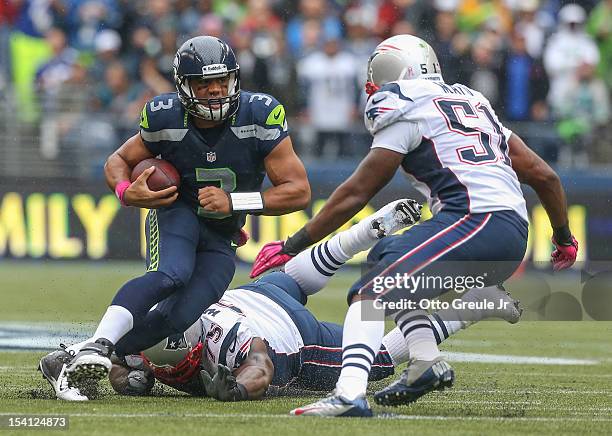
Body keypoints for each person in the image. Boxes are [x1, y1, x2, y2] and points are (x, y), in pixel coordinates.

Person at [251, 35, 579, 417]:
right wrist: (563, 238)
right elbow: (545, 176)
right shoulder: (471, 103)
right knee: (390, 261)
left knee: (369, 290)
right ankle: (424, 360)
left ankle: (349, 394)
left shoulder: (405, 106)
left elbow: (357, 192)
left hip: (475, 221)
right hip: (510, 231)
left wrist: (292, 245)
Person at [38, 35, 310, 400]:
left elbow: (298, 190)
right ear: (185, 87)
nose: (214, 92)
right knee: (172, 274)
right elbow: (117, 161)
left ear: (235, 79)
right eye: (203, 83)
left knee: (177, 318)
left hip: (223, 231)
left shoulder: (259, 115)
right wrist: (125, 191)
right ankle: (99, 343)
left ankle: (74, 355)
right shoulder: (166, 116)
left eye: (221, 81)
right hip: (177, 209)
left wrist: (235, 202)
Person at [106, 200, 520, 402]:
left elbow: (261, 365)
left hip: (292, 335)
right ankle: (365, 232)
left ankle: (472, 307)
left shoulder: (224, 339)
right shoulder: (165, 325)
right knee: (294, 275)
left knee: (375, 357)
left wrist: (238, 390)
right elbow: (121, 366)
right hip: (259, 292)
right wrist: (132, 378)